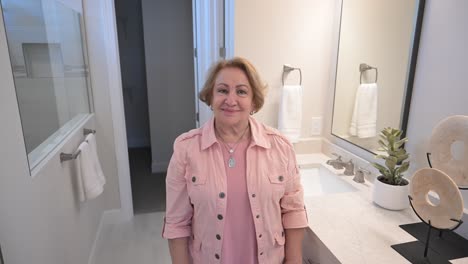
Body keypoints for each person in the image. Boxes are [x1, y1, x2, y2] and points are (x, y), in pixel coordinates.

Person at [162, 57, 308, 264]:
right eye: (222, 90)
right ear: (210, 97)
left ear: (254, 101)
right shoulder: (186, 149)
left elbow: (293, 210)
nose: (231, 100)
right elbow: (176, 222)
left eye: (241, 91)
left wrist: (294, 261)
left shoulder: (280, 147)